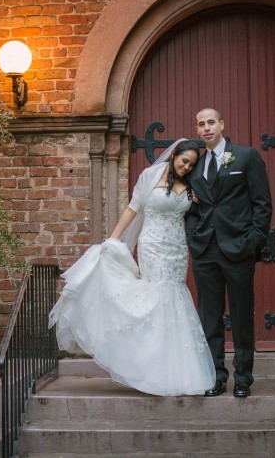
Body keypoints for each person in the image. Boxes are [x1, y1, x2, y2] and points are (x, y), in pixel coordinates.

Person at [48, 139, 216, 396]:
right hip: (153, 246)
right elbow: (132, 209)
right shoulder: (150, 175)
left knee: (174, 296)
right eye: (184, 161)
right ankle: (148, 365)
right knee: (156, 297)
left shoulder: (193, 184)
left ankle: (175, 369)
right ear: (173, 156)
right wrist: (113, 239)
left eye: (192, 165)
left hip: (177, 249)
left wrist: (198, 198)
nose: (187, 167)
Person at [186, 108, 273, 398]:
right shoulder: (195, 165)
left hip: (238, 249)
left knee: (241, 317)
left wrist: (253, 241)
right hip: (205, 252)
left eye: (211, 122)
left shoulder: (246, 157)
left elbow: (262, 203)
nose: (206, 128)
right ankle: (216, 376)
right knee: (209, 317)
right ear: (197, 130)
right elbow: (194, 207)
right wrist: (193, 235)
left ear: (222, 125)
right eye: (201, 124)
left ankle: (244, 378)